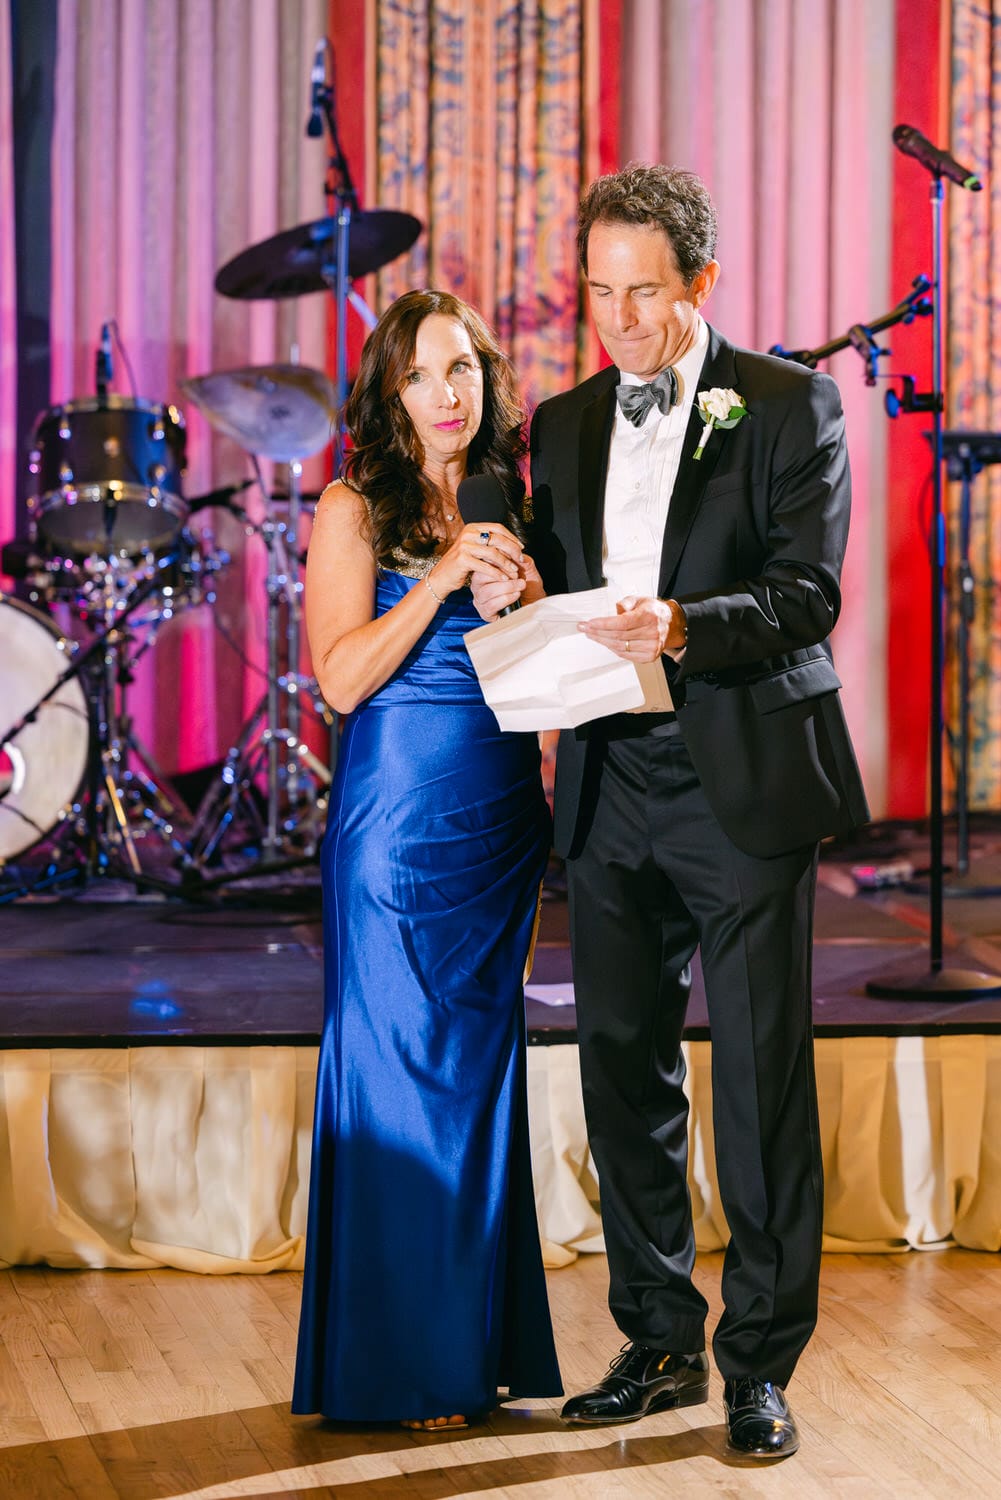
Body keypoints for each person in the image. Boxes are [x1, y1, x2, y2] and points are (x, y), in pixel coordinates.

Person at [472, 164, 868, 1459]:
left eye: (645, 292)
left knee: (757, 1090)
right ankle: (655, 1341)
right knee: (620, 1075)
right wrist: (509, 573)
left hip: (739, 780)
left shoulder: (790, 405)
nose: (621, 320)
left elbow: (809, 595)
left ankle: (758, 1364)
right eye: (600, 293)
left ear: (700, 280)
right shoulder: (565, 420)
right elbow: (547, 569)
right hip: (606, 780)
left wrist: (690, 624)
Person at [292, 289, 562, 1430]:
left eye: (463, 370)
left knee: (475, 1083)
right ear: (388, 391)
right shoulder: (353, 507)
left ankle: (470, 1345)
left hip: (499, 824)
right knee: (400, 1078)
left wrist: (530, 600)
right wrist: (448, 575)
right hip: (396, 832)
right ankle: (401, 1357)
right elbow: (341, 682)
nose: (449, 395)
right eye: (422, 375)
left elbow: (543, 695)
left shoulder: (514, 500)